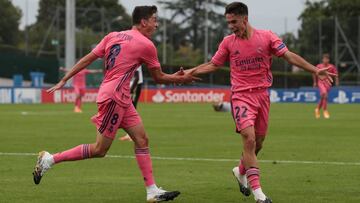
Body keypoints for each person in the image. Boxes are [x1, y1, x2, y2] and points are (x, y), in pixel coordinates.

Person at [32, 5, 199, 203]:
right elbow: (159, 77)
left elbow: (87, 59)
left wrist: (64, 79)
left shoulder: (113, 35)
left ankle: (152, 190)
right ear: (144, 21)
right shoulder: (146, 45)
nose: (156, 24)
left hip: (121, 97)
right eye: (154, 19)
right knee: (99, 150)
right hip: (113, 98)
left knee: (142, 139)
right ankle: (49, 159)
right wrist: (180, 79)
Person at [184, 2, 336, 203]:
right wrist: (189, 73)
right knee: (249, 138)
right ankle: (258, 194)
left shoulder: (267, 37)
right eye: (228, 22)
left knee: (258, 143)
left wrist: (315, 70)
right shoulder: (228, 42)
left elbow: (288, 55)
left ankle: (240, 170)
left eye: (234, 22)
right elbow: (213, 64)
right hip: (240, 96)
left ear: (245, 19)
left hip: (262, 96)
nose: (231, 26)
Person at [120, 66, 143, 141]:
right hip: (133, 84)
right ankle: (130, 134)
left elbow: (137, 76)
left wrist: (131, 90)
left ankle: (133, 134)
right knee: (131, 109)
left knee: (132, 109)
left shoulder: (135, 58)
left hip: (135, 85)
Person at [313, 53, 339, 119]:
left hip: (328, 83)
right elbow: (314, 73)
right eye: (324, 59)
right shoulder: (319, 66)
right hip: (321, 82)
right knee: (325, 94)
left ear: (328, 60)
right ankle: (325, 110)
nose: (325, 60)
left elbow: (335, 74)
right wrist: (315, 82)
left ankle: (317, 109)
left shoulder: (331, 66)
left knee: (323, 97)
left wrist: (336, 81)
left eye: (327, 59)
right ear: (322, 59)